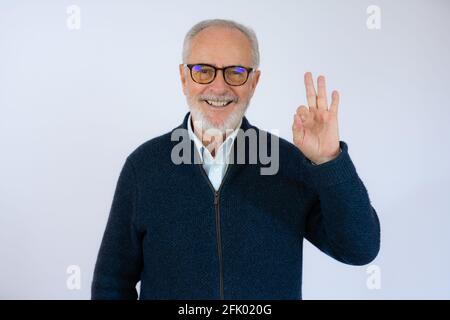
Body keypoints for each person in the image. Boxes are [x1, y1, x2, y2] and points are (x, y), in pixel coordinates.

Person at [91, 19, 380, 300]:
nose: (219, 87)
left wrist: (329, 162)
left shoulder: (286, 163)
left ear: (254, 82)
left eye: (236, 72)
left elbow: (359, 249)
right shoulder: (143, 168)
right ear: (183, 78)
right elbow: (111, 284)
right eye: (203, 71)